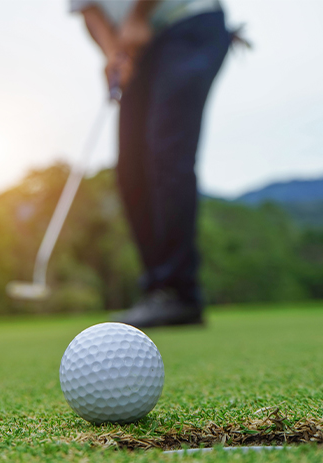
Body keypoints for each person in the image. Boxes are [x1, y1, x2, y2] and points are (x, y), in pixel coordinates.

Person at [71, 0, 232, 328]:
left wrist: (138, 16)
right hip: (137, 50)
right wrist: (113, 52)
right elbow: (88, 9)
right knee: (131, 169)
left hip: (188, 24)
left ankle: (180, 292)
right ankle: (158, 290)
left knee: (167, 154)